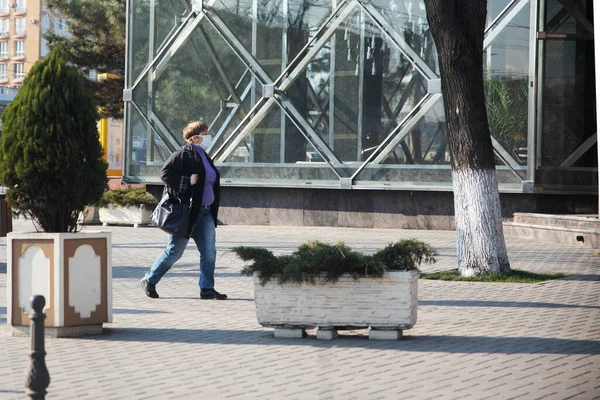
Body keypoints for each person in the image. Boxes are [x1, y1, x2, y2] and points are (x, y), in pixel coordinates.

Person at [141, 121, 227, 300]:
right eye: (205, 133)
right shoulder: (183, 154)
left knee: (209, 251)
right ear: (195, 137)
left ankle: (207, 288)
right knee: (175, 251)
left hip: (205, 212)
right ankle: (149, 279)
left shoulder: (203, 155)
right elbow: (165, 174)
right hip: (187, 213)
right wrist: (188, 180)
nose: (208, 137)